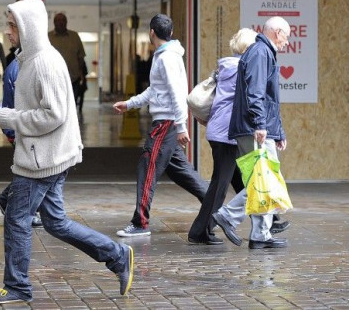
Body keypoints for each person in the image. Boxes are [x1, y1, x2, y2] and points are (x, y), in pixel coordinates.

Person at [0, 0, 133, 304]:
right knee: (55, 222)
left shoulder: (44, 64)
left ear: (28, 28)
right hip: (47, 156)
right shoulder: (32, 59)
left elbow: (54, 115)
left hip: (42, 161)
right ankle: (117, 256)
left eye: (12, 25)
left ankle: (18, 287)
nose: (8, 31)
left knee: (17, 219)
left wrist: (11, 118)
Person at [112, 14, 208, 237]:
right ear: (170, 33)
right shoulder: (164, 55)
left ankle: (140, 223)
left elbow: (177, 92)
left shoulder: (166, 58)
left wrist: (181, 126)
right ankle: (218, 209)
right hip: (168, 122)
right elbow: (155, 90)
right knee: (182, 172)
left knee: (147, 169)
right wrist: (130, 104)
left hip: (165, 123)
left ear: (152, 32)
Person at [212, 16, 292, 250]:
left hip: (259, 128)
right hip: (253, 129)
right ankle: (228, 215)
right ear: (277, 32)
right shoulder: (260, 52)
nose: (287, 42)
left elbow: (269, 100)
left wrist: (278, 132)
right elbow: (256, 93)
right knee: (266, 181)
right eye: (286, 36)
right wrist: (260, 125)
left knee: (263, 180)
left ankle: (261, 235)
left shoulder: (263, 52)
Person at [187, 28, 258, 245]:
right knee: (220, 184)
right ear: (249, 48)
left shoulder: (228, 67)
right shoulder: (241, 69)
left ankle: (269, 219)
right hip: (227, 133)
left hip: (222, 131)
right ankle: (200, 231)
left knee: (240, 179)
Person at [0, 46, 42, 229]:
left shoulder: (15, 66)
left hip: (17, 128)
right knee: (32, 171)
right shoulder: (18, 68)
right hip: (21, 129)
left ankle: (11, 203)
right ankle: (10, 202)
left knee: (31, 170)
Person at [48, 13, 87, 113]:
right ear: (54, 22)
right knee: (55, 108)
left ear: (66, 22)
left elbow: (81, 57)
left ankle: (69, 127)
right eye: (58, 20)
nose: (60, 22)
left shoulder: (74, 36)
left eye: (63, 20)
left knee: (71, 108)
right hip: (53, 80)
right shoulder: (48, 37)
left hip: (73, 80)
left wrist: (80, 73)